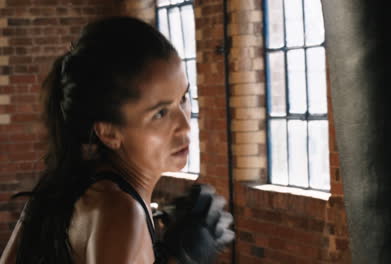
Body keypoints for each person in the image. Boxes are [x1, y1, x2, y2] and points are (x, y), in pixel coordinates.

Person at [0, 16, 234, 264]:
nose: (185, 126)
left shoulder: (62, 187)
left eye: (183, 99)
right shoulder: (122, 213)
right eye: (160, 113)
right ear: (109, 133)